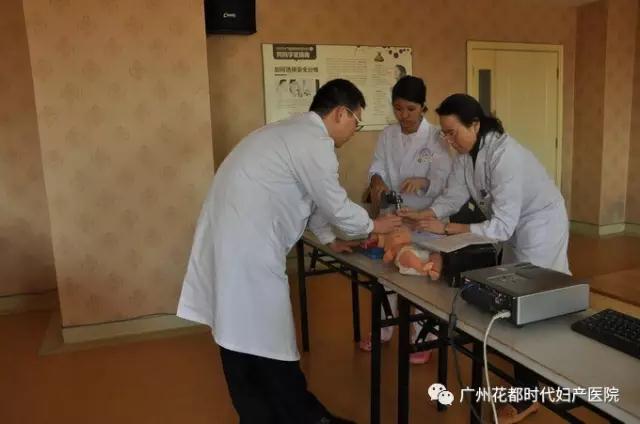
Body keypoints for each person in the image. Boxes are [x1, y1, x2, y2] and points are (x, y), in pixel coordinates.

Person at [177, 79, 402, 424]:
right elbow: (334, 203)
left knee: (238, 333)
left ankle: (267, 414)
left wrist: (328, 239)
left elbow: (310, 197)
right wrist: (374, 226)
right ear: (341, 113)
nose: (354, 132)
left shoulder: (290, 133)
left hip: (231, 241)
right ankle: (300, 415)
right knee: (266, 336)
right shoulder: (314, 142)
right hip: (248, 249)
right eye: (356, 122)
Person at [401, 93, 570, 423]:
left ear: (475, 125)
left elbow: (501, 226)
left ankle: (529, 393)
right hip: (514, 228)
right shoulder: (468, 155)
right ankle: (530, 381)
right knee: (516, 298)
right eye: (444, 134)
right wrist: (426, 215)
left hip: (540, 227)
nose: (448, 140)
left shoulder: (506, 156)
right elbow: (453, 195)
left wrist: (447, 228)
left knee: (533, 304)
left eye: (453, 133)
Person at [361, 75, 453, 364]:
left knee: (421, 275)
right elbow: (377, 165)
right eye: (398, 108)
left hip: (425, 217)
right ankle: (383, 329)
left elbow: (445, 179)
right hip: (394, 215)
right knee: (387, 272)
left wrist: (423, 183)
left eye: (411, 109)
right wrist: (376, 180)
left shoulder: (436, 137)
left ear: (423, 107)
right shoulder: (388, 134)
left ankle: (423, 337)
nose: (404, 115)